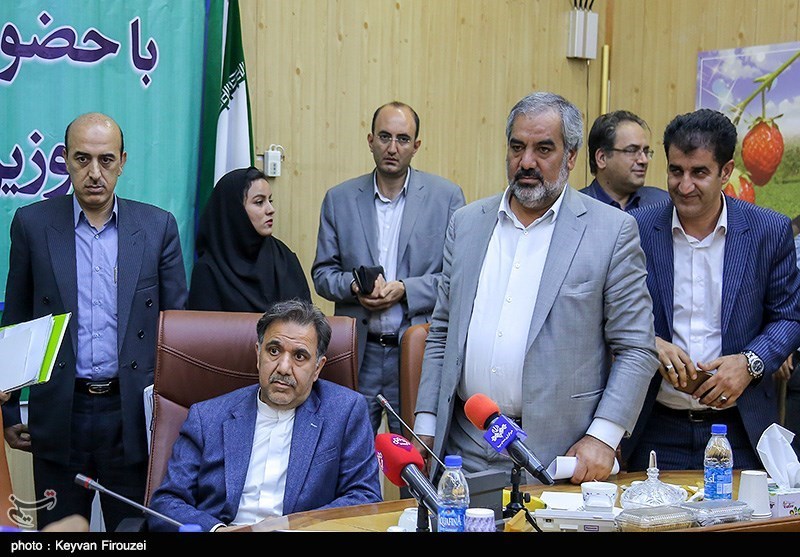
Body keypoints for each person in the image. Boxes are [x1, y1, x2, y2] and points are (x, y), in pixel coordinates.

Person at [412, 92, 660, 485]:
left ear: (571, 156)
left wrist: (604, 436)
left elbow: (636, 348)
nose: (526, 162)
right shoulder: (467, 223)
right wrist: (427, 423)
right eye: (517, 147)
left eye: (543, 149)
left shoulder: (611, 231)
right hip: (464, 445)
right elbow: (442, 332)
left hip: (558, 454)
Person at [0, 112, 188, 530]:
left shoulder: (156, 227)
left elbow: (176, 331)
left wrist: (175, 419)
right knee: (61, 534)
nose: (94, 173)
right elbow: (15, 321)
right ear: (65, 160)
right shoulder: (33, 224)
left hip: (132, 416)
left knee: (133, 533)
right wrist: (9, 414)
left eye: (106, 160)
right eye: (82, 159)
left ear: (122, 161)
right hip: (60, 414)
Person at [621, 108, 800, 471]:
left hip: (742, 429)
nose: (684, 185)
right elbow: (608, 313)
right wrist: (649, 343)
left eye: (699, 173)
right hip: (654, 426)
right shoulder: (634, 229)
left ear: (726, 171)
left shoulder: (768, 231)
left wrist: (750, 363)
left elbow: (789, 317)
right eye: (676, 171)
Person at [148, 299, 382, 532]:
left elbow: (365, 496)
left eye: (300, 356)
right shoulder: (207, 417)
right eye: (274, 351)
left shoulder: (345, 411)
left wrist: (297, 527)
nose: (283, 367)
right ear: (258, 354)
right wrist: (217, 530)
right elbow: (167, 502)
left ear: (317, 368)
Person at [312, 101, 466, 435]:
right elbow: (322, 274)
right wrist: (354, 287)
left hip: (416, 351)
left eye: (403, 139)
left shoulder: (446, 198)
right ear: (370, 140)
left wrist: (406, 290)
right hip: (360, 352)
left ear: (416, 146)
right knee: (348, 450)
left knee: (414, 453)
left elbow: (458, 279)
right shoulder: (339, 199)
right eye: (384, 137)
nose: (392, 148)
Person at [187, 166, 310, 311]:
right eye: (259, 202)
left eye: (270, 200)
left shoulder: (285, 258)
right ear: (235, 210)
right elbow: (204, 324)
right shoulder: (208, 270)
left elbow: (307, 318)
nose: (271, 209)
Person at [580, 110, 669, 211]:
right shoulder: (574, 209)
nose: (644, 160)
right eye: (632, 150)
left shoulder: (663, 204)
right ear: (602, 158)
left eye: (645, 151)